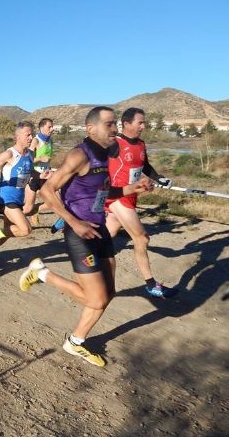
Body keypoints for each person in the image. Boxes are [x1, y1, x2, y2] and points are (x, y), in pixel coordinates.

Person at [19, 106, 153, 367]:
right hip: (78, 232)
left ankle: (75, 342)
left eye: (115, 124)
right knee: (96, 298)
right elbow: (47, 190)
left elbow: (103, 191)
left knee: (109, 292)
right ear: (91, 129)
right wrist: (74, 222)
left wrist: (131, 187)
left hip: (99, 227)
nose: (115, 129)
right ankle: (41, 273)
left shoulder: (107, 154)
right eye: (109, 124)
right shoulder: (81, 154)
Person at [105, 107, 177, 298]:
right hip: (118, 197)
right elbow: (95, 164)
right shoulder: (114, 144)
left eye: (144, 122)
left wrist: (158, 177)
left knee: (107, 233)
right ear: (126, 124)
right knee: (142, 238)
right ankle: (151, 284)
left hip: (131, 196)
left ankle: (84, 259)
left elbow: (144, 165)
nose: (143, 126)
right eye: (140, 122)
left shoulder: (141, 144)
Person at [0, 121, 35, 268]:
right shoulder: (9, 154)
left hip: (19, 199)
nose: (31, 137)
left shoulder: (30, 154)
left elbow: (30, 176)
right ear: (17, 136)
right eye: (27, 135)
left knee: (6, 232)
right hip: (6, 198)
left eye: (32, 134)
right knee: (25, 229)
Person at [24, 118, 55, 225]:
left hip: (46, 176)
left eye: (52, 126)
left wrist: (48, 167)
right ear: (42, 128)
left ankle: (36, 211)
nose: (52, 129)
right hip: (35, 175)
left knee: (55, 202)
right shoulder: (35, 141)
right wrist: (40, 159)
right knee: (28, 208)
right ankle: (11, 218)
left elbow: (48, 159)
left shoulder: (50, 141)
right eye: (49, 127)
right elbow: (28, 159)